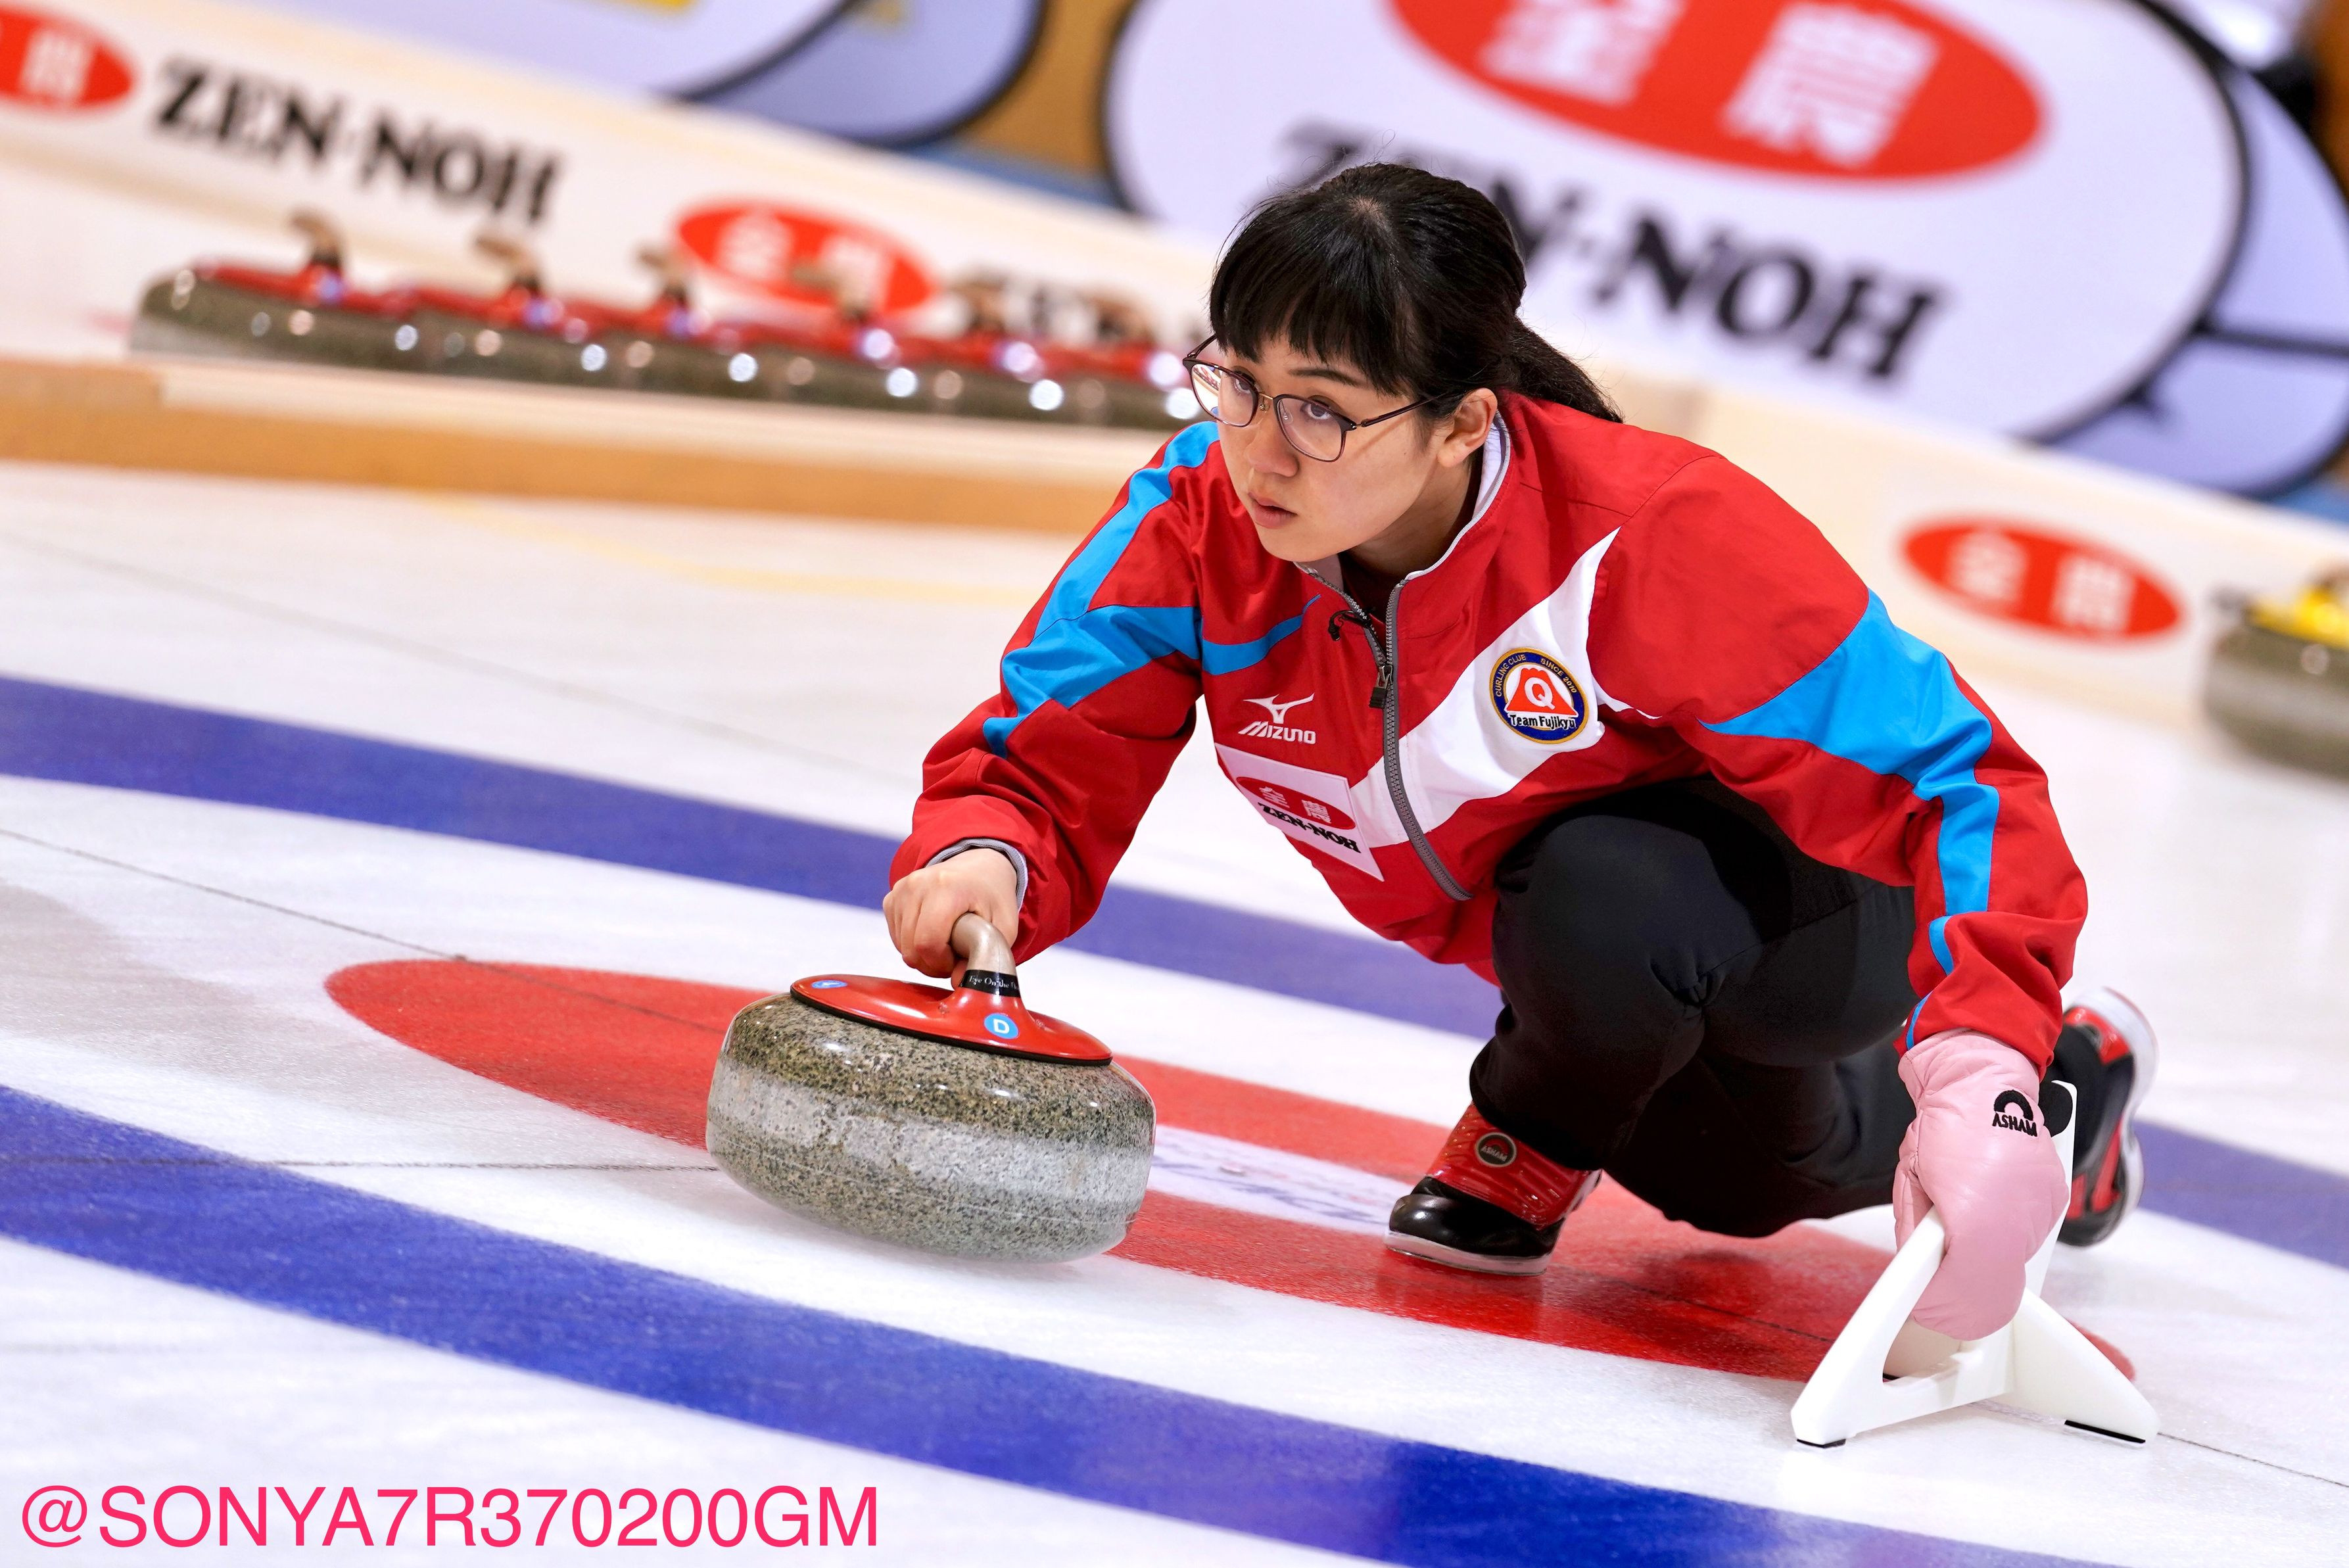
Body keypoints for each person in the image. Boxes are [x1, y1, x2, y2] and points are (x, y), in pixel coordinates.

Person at [882, 164, 2152, 1340]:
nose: (1261, 449)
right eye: (1242, 383)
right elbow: (1052, 742)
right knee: (1740, 1187)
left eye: (1321, 411)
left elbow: (1956, 780)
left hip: (1817, 906)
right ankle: (2074, 1083)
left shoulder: (1646, 532)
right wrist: (988, 853)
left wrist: (1980, 1060)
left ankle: (1531, 1130)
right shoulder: (1200, 517)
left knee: (1599, 892)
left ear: (1460, 423)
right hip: (1593, 970)